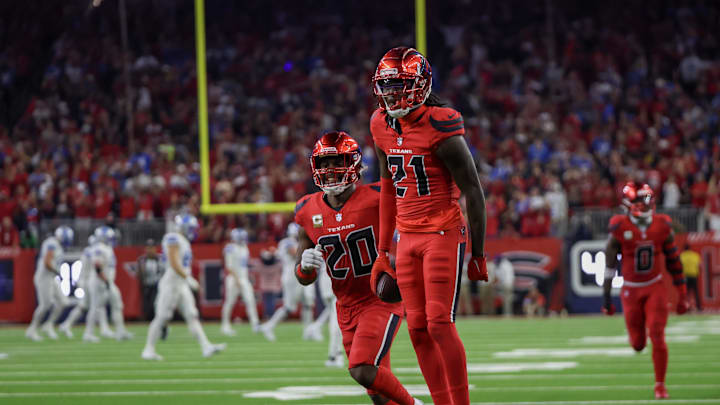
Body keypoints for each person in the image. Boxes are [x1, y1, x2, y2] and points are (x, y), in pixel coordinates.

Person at [370, 46, 488, 405]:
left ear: (419, 85)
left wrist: (479, 254)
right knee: (418, 329)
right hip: (406, 236)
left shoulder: (441, 123)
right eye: (386, 86)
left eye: (399, 85)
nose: (390, 94)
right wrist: (382, 251)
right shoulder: (380, 123)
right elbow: (388, 187)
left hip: (442, 231)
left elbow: (473, 190)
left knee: (439, 323)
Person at [295, 131, 422, 405]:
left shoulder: (378, 197)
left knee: (361, 368)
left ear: (353, 163)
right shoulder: (307, 210)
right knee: (377, 392)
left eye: (336, 161)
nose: (329, 170)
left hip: (380, 298)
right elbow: (304, 278)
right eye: (324, 164)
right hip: (346, 305)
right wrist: (305, 266)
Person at [603, 182, 689, 399]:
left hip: (655, 287)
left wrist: (682, 295)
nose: (645, 205)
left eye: (648, 200)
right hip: (631, 290)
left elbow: (674, 262)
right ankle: (641, 348)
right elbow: (609, 267)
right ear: (628, 203)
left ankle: (660, 385)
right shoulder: (619, 228)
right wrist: (606, 300)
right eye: (641, 201)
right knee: (638, 344)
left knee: (657, 335)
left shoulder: (661, 225)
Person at [141, 214, 226, 360]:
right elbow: (174, 263)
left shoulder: (183, 240)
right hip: (171, 282)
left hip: (180, 283)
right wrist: (188, 278)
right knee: (161, 317)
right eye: (192, 228)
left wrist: (186, 279)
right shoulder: (173, 237)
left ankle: (206, 346)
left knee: (191, 315)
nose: (194, 231)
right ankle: (148, 349)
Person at [258, 223, 318, 342]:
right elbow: (295, 252)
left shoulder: (295, 242)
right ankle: (269, 326)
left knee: (308, 302)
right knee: (289, 307)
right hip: (292, 277)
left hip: (301, 274)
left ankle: (308, 331)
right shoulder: (288, 242)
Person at [83, 226, 133, 342]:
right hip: (99, 282)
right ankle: (88, 333)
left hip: (107, 282)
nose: (113, 240)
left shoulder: (107, 248)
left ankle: (120, 332)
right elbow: (97, 266)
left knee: (117, 304)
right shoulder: (99, 248)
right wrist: (105, 280)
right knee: (95, 307)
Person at [25, 226, 75, 341]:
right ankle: (32, 329)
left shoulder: (57, 246)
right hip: (44, 277)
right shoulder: (51, 243)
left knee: (64, 302)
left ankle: (48, 325)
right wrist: (57, 271)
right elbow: (47, 262)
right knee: (45, 305)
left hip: (51, 277)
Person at [58, 235, 112, 338]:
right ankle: (93, 331)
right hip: (88, 280)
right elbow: (96, 266)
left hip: (86, 279)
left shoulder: (89, 250)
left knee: (85, 306)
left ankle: (66, 324)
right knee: (95, 306)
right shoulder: (95, 251)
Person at [302, 265, 345, 368]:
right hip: (330, 280)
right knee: (334, 318)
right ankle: (336, 355)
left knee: (335, 319)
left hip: (332, 279)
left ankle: (336, 355)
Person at [220, 228, 260, 335]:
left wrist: (245, 278)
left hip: (244, 278)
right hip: (233, 278)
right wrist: (237, 279)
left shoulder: (245, 248)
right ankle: (225, 325)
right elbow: (229, 266)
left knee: (250, 300)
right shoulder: (230, 248)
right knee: (230, 302)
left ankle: (255, 324)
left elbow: (244, 265)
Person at [137, 238, 164, 321]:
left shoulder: (160, 259)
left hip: (157, 286)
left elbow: (164, 272)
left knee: (155, 304)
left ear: (155, 249)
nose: (150, 250)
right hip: (147, 286)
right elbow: (139, 275)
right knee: (147, 307)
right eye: (148, 248)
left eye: (152, 248)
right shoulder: (142, 260)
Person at [680, 243, 702, 312]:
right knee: (696, 292)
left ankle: (686, 307)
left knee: (686, 293)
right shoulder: (695, 255)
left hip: (685, 276)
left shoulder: (681, 256)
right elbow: (699, 265)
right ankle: (699, 307)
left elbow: (678, 266)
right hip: (694, 275)